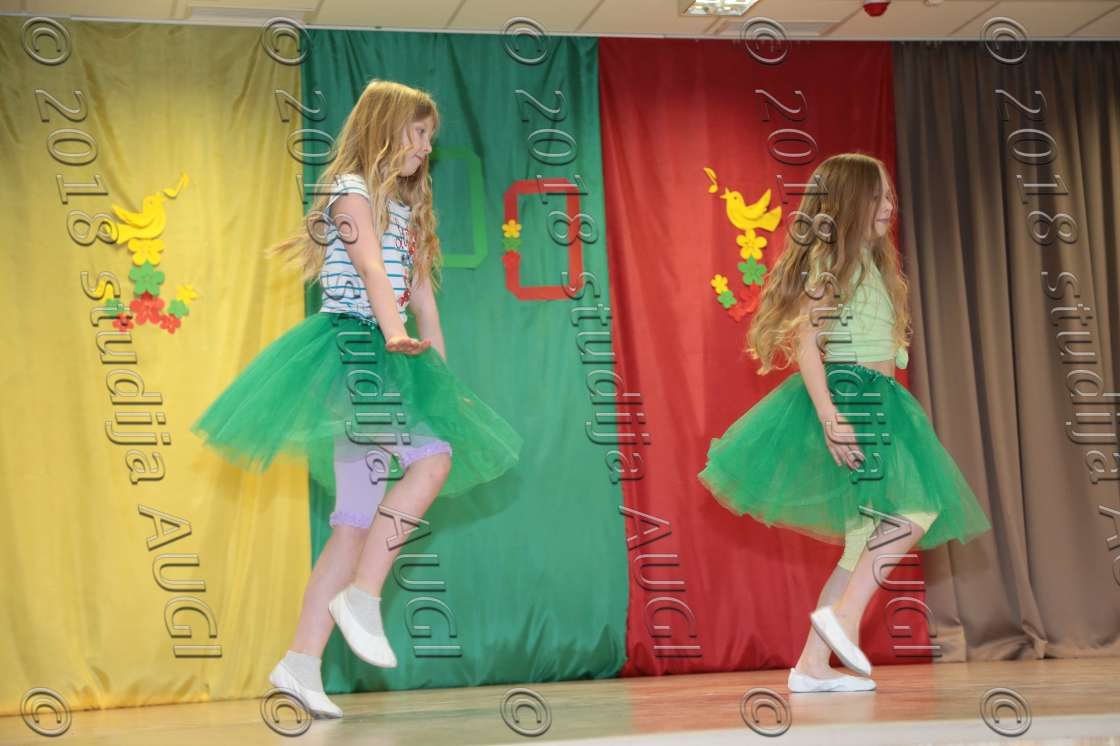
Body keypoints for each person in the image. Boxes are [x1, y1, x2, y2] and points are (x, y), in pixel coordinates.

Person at [190, 79, 522, 716]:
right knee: (432, 461)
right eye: (418, 133)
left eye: (431, 137)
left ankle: (300, 662)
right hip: (354, 352)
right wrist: (392, 333)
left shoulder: (406, 211)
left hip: (388, 357)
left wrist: (443, 384)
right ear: (386, 128)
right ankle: (363, 594)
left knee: (352, 523)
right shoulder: (348, 191)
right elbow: (370, 268)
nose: (426, 147)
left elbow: (424, 302)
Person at [698, 152, 990, 693]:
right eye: (878, 196)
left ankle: (811, 666)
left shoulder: (867, 265)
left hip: (878, 402)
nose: (890, 205)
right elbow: (807, 341)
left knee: (863, 540)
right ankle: (845, 616)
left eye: (890, 196)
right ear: (849, 202)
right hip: (855, 400)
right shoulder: (836, 265)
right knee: (917, 508)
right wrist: (831, 416)